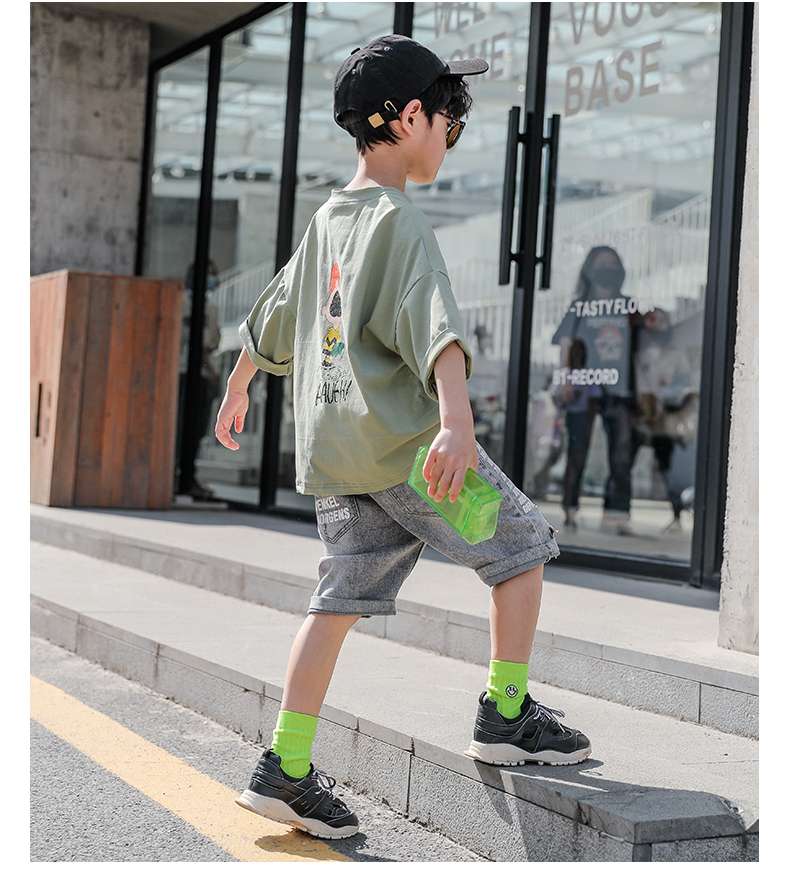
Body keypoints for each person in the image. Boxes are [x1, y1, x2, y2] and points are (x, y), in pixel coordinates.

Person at [214, 35, 590, 841]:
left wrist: (240, 383)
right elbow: (437, 331)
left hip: (341, 461)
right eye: (451, 119)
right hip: (417, 459)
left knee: (335, 602)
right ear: (412, 117)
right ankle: (507, 712)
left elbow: (274, 314)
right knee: (523, 549)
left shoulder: (327, 220)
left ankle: (284, 763)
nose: (451, 134)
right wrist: (456, 423)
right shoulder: (400, 223)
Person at [552, 246, 642, 534]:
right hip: (584, 389)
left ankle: (617, 515)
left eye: (612, 264)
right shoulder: (579, 307)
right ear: (590, 270)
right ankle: (569, 511)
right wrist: (565, 378)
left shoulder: (629, 306)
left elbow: (639, 349)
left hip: (621, 390)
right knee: (577, 451)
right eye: (602, 264)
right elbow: (566, 344)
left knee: (621, 455)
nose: (607, 269)